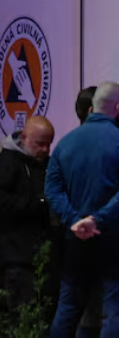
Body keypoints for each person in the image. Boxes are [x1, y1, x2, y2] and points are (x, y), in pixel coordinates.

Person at [20, 82, 119, 338]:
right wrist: (98, 220)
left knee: (67, 311)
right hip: (115, 240)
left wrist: (76, 219)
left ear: (92, 108)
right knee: (115, 312)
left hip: (76, 239)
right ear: (118, 107)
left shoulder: (66, 144)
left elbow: (52, 190)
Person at [0, 116, 54, 320]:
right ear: (24, 137)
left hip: (42, 255)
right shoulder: (7, 163)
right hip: (16, 257)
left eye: (49, 144)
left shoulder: (45, 164)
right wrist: (38, 202)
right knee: (21, 318)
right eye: (40, 144)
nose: (45, 150)